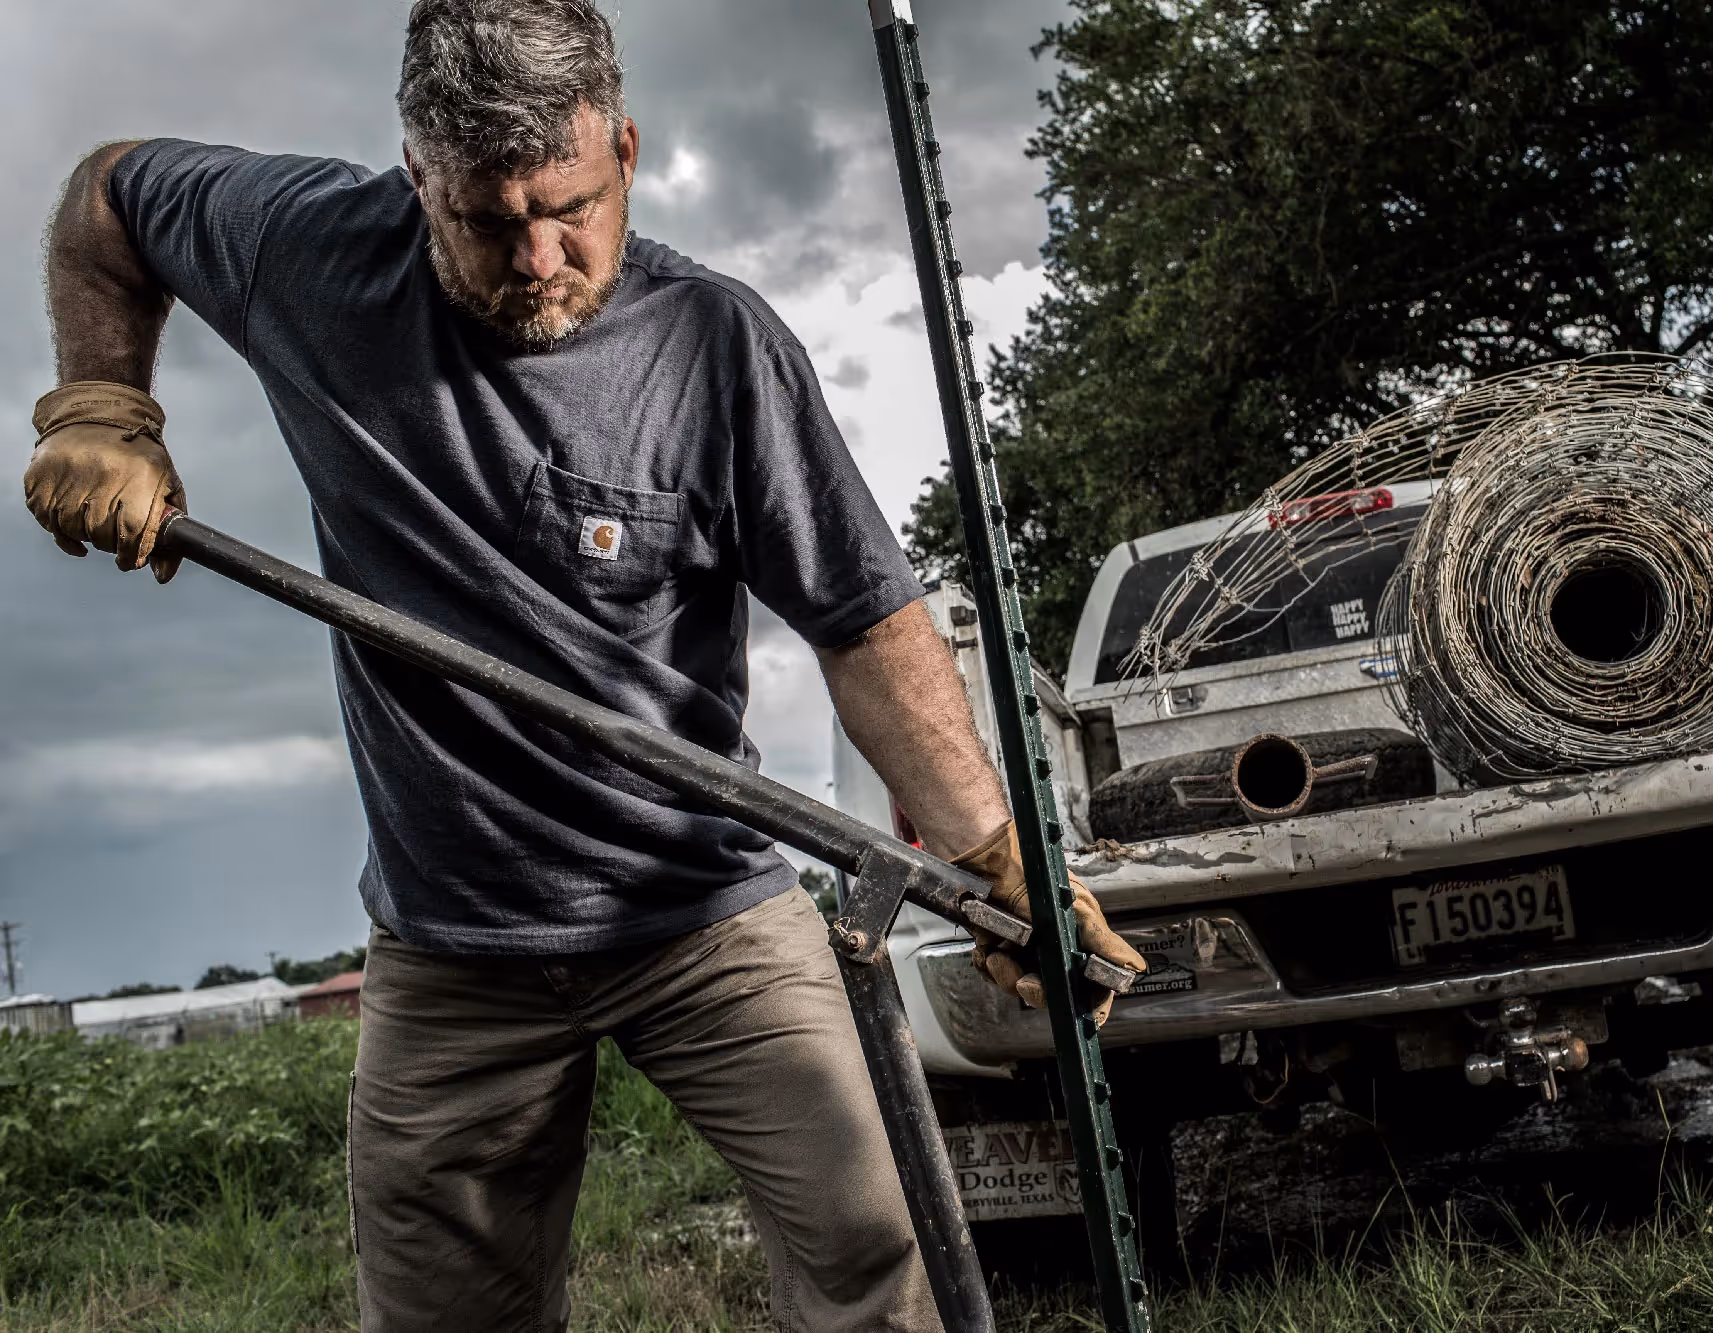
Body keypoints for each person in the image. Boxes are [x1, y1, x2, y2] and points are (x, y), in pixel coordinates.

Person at [23, 2, 1145, 1329]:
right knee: (447, 1310)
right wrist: (103, 406)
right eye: (490, 224)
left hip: (702, 904)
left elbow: (861, 623)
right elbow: (110, 195)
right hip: (454, 937)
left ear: (624, 146)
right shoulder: (309, 256)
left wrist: (991, 856)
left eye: (572, 205)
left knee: (871, 1231)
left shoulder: (716, 347)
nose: (541, 258)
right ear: (416, 176)